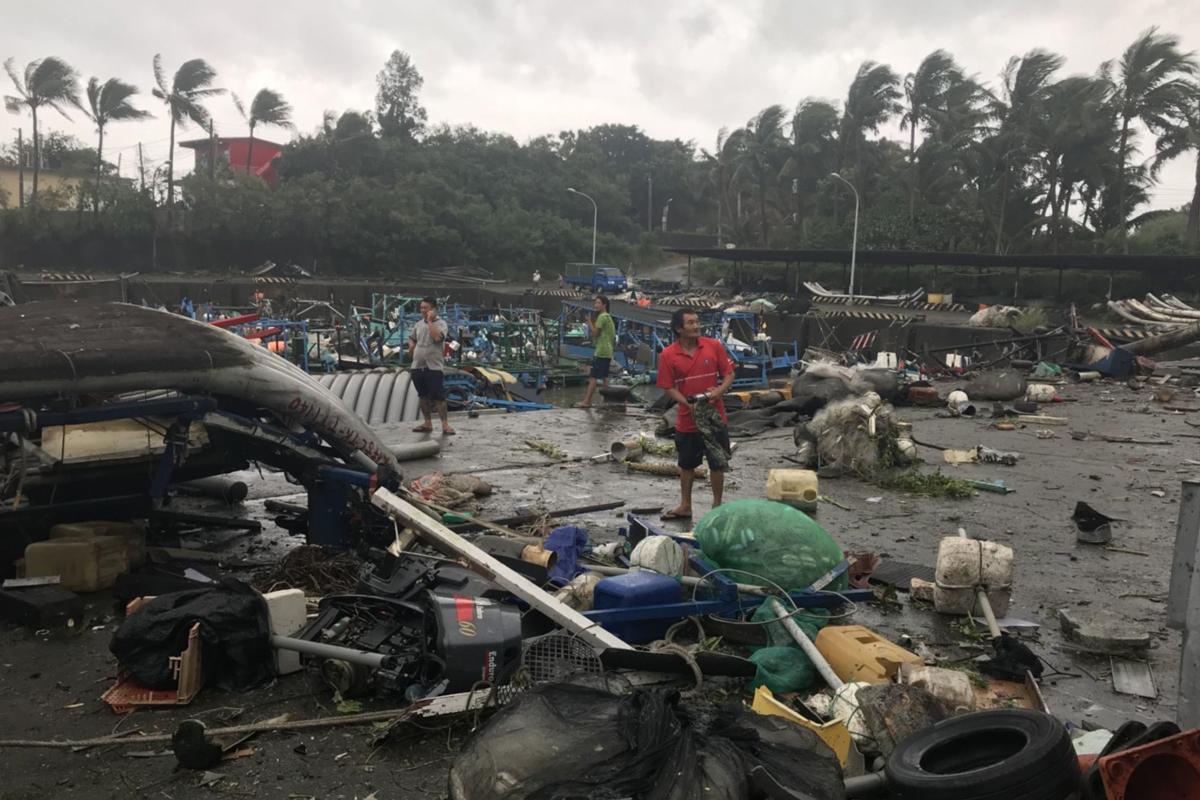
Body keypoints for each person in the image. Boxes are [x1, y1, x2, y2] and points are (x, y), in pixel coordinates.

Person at [656, 308, 735, 521]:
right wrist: (685, 402)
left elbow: (728, 374)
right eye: (690, 323)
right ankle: (685, 505)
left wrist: (717, 392)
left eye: (697, 322)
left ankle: (717, 506)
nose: (695, 326)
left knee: (717, 462)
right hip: (687, 418)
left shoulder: (713, 346)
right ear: (678, 328)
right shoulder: (668, 355)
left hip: (714, 416)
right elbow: (667, 386)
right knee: (687, 464)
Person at [407, 296, 455, 435]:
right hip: (417, 365)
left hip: (433, 366)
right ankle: (427, 422)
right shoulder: (418, 324)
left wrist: (429, 321)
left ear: (433, 309)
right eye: (421, 308)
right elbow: (412, 338)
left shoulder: (441, 324)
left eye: (425, 308)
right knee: (423, 396)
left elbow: (437, 338)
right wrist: (411, 346)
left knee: (439, 396)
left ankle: (445, 425)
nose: (422, 310)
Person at [575, 295, 616, 408]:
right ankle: (608, 401)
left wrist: (589, 322)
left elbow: (595, 333)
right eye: (595, 303)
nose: (596, 305)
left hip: (602, 351)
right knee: (605, 377)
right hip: (608, 351)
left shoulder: (602, 317)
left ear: (604, 305)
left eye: (598, 303)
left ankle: (586, 401)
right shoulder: (609, 317)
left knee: (593, 377)